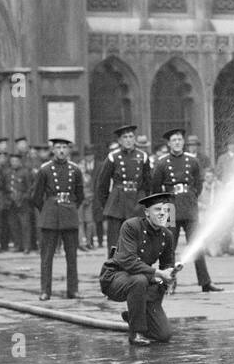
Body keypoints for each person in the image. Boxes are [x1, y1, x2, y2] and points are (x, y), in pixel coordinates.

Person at [99, 190, 178, 346]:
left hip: (140, 282)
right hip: (115, 277)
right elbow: (128, 261)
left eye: (166, 210)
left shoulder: (167, 235)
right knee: (140, 280)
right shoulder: (131, 226)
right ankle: (136, 333)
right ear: (147, 212)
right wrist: (158, 273)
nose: (162, 214)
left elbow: (167, 263)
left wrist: (170, 278)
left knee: (164, 335)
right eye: (157, 210)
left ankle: (134, 315)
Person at [149, 129, 221, 292]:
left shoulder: (192, 160)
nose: (177, 142)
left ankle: (205, 282)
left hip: (189, 207)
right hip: (171, 208)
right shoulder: (162, 162)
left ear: (183, 142)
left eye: (180, 139)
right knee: (169, 248)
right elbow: (155, 187)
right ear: (169, 143)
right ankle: (169, 283)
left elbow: (199, 183)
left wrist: (192, 196)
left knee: (197, 245)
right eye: (174, 140)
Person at [31, 137, 84, 300]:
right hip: (50, 215)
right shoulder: (45, 169)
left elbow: (80, 195)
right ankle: (45, 290)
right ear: (52, 150)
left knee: (72, 256)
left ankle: (73, 290)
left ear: (69, 150)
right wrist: (47, 209)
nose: (61, 151)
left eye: (64, 148)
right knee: (46, 256)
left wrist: (71, 208)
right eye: (58, 147)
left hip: (69, 214)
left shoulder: (75, 170)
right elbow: (36, 196)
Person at [96, 124, 150, 257]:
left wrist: (143, 203)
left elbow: (148, 183)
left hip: (137, 203)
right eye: (125, 137)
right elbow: (102, 185)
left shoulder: (143, 156)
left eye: (131, 136)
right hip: (117, 205)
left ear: (135, 139)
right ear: (119, 140)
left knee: (138, 244)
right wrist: (109, 204)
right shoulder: (113, 157)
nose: (128, 140)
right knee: (115, 245)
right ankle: (113, 275)